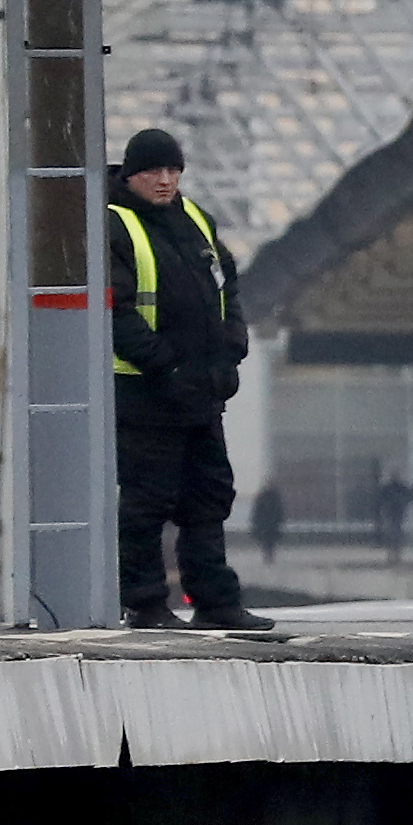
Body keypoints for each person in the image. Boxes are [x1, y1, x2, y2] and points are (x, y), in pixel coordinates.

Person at [106, 129, 272, 632]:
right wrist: (167, 366)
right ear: (131, 175)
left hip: (201, 391)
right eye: (154, 172)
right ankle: (146, 604)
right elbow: (116, 312)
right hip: (145, 392)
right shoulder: (114, 225)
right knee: (146, 502)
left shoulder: (196, 218)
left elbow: (228, 285)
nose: (165, 181)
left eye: (173, 171)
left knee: (209, 497)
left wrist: (231, 348)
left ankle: (216, 601)